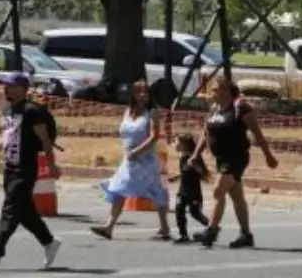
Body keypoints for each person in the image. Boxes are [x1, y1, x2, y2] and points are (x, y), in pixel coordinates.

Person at [0, 73, 60, 272]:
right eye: (4, 85)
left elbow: (46, 141)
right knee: (25, 212)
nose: (6, 89)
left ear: (23, 88)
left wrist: (52, 165)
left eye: (10, 86)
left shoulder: (32, 111)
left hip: (25, 169)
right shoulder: (8, 110)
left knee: (11, 210)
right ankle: (49, 242)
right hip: (10, 168)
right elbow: (7, 136)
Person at [192, 77, 278, 249]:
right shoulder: (215, 109)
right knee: (237, 197)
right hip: (221, 158)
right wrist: (196, 154)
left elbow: (258, 134)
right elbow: (206, 132)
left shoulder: (241, 109)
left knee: (218, 191)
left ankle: (211, 230)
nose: (212, 93)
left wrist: (268, 155)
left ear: (226, 91)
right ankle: (246, 235)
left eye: (215, 89)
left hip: (236, 157)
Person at [90, 79, 171, 241]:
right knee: (119, 188)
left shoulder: (152, 113)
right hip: (129, 159)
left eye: (146, 93)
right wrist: (130, 151)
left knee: (154, 190)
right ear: (133, 94)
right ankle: (109, 226)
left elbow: (154, 137)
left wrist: (137, 151)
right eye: (139, 92)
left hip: (145, 160)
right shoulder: (128, 111)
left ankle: (164, 226)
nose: (143, 96)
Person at [169, 133, 209, 243]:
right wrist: (176, 177)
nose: (174, 144)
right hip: (182, 190)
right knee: (179, 210)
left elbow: (203, 173)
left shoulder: (194, 157)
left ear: (184, 144)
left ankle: (209, 226)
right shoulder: (182, 157)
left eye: (176, 142)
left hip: (194, 191)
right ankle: (183, 234)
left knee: (194, 212)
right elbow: (185, 171)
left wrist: (195, 165)